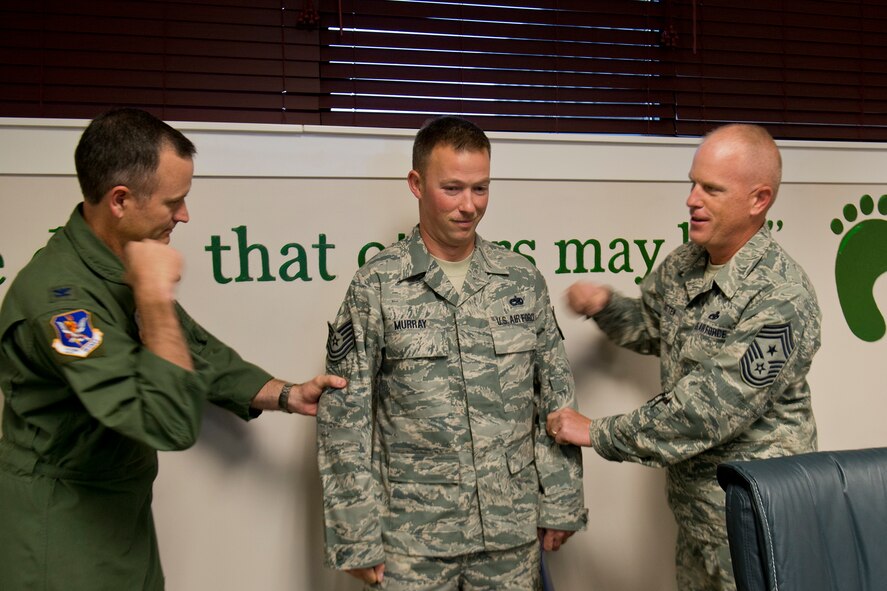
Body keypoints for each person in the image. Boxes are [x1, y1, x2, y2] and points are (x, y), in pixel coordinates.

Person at [0, 108, 346, 590]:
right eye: (174, 202)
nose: (184, 215)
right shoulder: (63, 304)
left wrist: (286, 394)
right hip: (59, 527)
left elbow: (192, 349)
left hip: (120, 515)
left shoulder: (115, 261)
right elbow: (168, 421)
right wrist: (155, 297)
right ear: (120, 200)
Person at [546, 123, 821, 591]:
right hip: (698, 519)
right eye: (693, 184)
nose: (692, 200)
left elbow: (707, 410)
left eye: (712, 189)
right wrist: (605, 306)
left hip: (759, 523)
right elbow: (653, 328)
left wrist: (597, 431)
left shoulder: (782, 296)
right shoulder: (684, 264)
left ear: (758, 200)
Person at [317, 115, 587, 590]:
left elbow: (555, 396)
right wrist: (355, 535)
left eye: (481, 188)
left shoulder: (520, 278)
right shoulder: (376, 285)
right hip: (413, 537)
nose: (469, 206)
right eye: (453, 189)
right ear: (416, 184)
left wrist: (562, 501)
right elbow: (344, 416)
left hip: (509, 531)